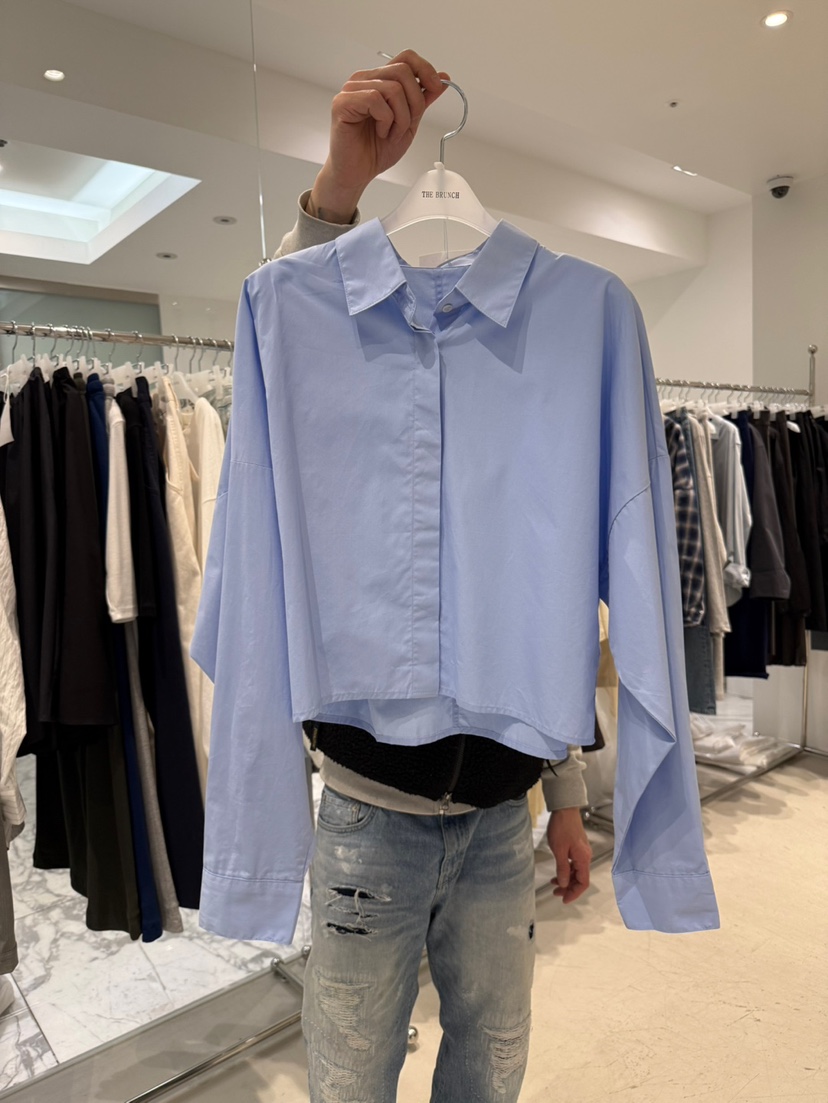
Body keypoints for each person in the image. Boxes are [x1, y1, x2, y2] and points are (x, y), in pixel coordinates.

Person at [273, 50, 593, 1103]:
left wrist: (566, 796)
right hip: (371, 811)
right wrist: (338, 193)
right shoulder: (350, 360)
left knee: (492, 1063)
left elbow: (553, 596)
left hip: (502, 813)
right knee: (350, 1073)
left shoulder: (538, 366)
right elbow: (291, 354)